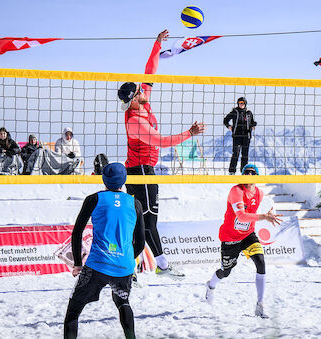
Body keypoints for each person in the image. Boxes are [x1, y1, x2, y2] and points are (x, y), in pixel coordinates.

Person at [117, 29, 205, 279]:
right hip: (141, 171)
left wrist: (156, 45)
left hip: (144, 170)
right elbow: (162, 141)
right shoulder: (135, 120)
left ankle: (135, 267)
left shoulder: (143, 101)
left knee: (143, 223)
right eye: (138, 91)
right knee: (147, 223)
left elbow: (149, 72)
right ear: (133, 100)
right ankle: (157, 266)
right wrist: (190, 132)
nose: (142, 90)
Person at [63, 163, 145, 339]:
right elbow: (141, 242)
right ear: (124, 181)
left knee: (73, 312)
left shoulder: (94, 199)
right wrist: (129, 260)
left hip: (97, 265)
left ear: (104, 179)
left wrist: (78, 263)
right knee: (123, 302)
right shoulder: (135, 203)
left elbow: (77, 232)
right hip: (124, 266)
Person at [204, 164, 282, 318]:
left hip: (248, 235)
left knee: (260, 262)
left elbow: (250, 216)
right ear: (243, 174)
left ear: (257, 176)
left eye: (253, 172)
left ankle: (260, 305)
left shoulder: (259, 193)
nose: (250, 174)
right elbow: (241, 216)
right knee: (225, 272)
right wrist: (264, 217)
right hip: (230, 237)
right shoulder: (236, 191)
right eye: (247, 172)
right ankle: (211, 286)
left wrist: (266, 215)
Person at [224, 97, 257, 174]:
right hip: (237, 136)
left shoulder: (249, 113)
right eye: (240, 103)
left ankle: (244, 171)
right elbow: (225, 120)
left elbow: (252, 122)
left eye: (243, 103)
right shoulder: (234, 112)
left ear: (245, 103)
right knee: (236, 153)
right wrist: (229, 126)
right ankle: (232, 171)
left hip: (246, 136)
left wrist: (253, 125)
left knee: (245, 155)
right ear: (238, 103)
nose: (241, 104)